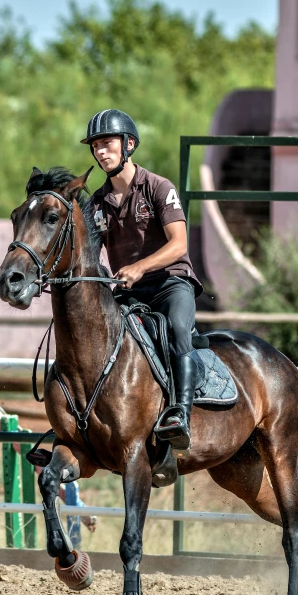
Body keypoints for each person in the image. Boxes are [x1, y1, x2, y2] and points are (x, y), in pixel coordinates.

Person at [83, 109, 203, 451]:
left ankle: (180, 412)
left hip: (170, 285)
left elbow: (179, 244)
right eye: (95, 147)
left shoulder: (159, 187)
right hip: (127, 292)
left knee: (179, 330)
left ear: (129, 145)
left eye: (107, 143)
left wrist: (138, 268)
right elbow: (89, 256)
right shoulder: (96, 204)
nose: (101, 152)